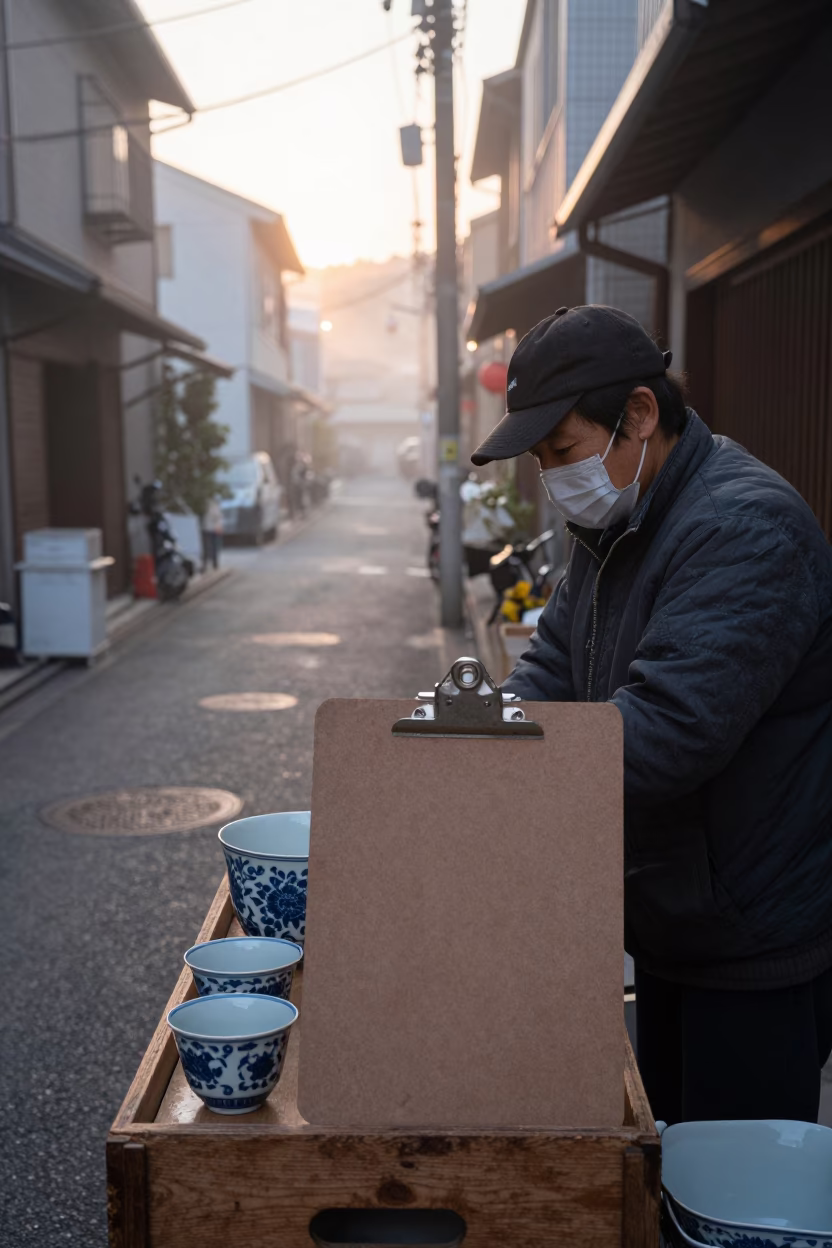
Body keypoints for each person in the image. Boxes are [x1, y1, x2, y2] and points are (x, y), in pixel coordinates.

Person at [471, 304, 832, 1126]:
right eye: (542, 460)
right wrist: (476, 732)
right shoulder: (615, 520)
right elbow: (554, 660)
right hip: (673, 912)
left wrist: (503, 771)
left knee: (730, 1192)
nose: (553, 477)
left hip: (752, 939)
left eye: (562, 451)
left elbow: (667, 733)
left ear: (638, 414)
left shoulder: (744, 527)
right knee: (660, 1153)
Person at [201, 495, 223, 571]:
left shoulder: (213, 505)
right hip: (208, 529)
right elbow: (217, 517)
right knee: (209, 548)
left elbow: (218, 518)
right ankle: (209, 564)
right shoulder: (211, 505)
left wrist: (218, 527)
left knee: (211, 548)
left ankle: (212, 564)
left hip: (211, 529)